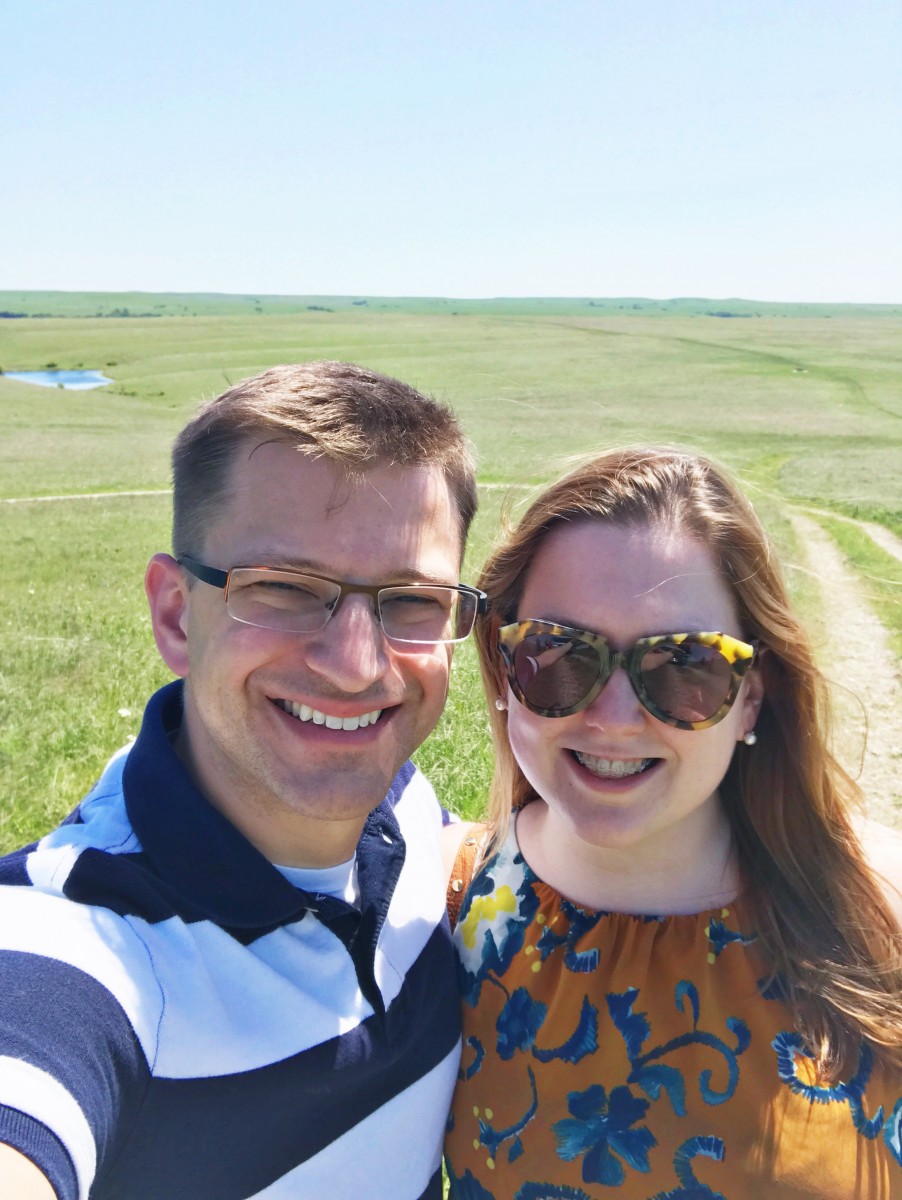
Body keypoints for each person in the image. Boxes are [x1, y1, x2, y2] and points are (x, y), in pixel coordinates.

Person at [0, 361, 485, 1200]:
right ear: (176, 615)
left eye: (411, 602)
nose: (356, 667)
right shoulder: (83, 946)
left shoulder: (405, 810)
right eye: (286, 589)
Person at [444, 446, 902, 1198]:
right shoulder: (438, 912)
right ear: (504, 671)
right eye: (558, 654)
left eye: (686, 665)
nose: (615, 720)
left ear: (752, 696)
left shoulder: (881, 916)